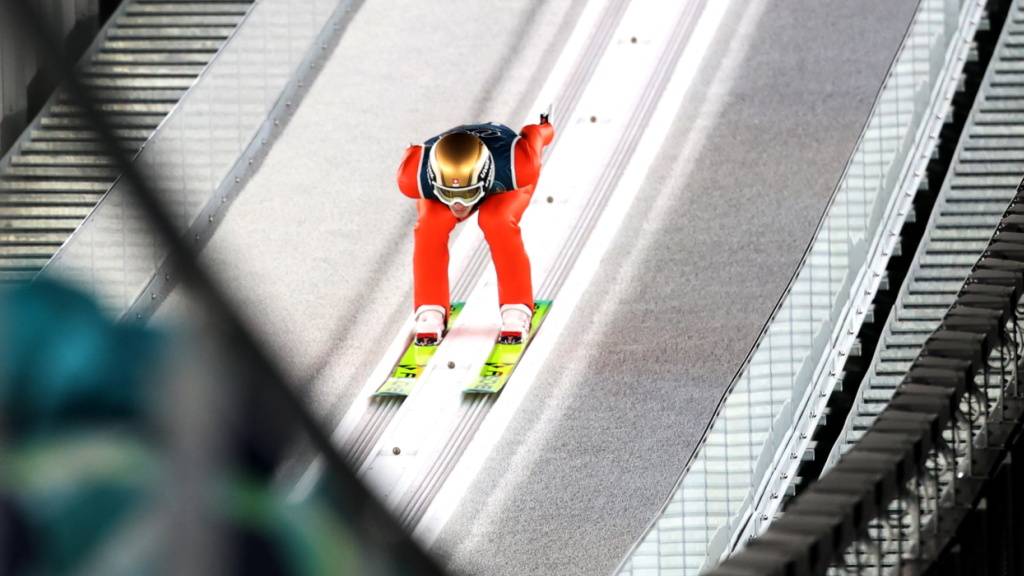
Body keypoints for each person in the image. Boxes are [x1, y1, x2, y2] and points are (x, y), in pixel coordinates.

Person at [397, 115, 555, 345]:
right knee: (429, 226)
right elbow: (415, 151)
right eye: (449, 194)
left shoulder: (518, 164)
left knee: (497, 220)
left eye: (466, 194)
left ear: (485, 176)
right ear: (433, 179)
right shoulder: (412, 177)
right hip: (456, 173)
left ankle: (517, 307)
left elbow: (534, 135)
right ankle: (429, 308)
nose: (458, 205)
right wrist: (462, 192)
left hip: (499, 182)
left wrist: (544, 128)